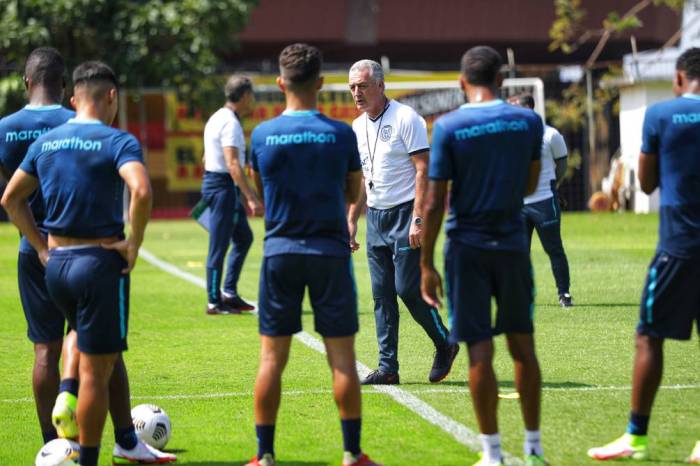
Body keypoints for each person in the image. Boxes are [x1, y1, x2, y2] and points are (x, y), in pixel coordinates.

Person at [1, 61, 174, 466]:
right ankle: (92, 455)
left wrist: (40, 247)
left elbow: (10, 199)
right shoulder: (117, 140)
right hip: (97, 264)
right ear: (111, 96)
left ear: (74, 98)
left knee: (67, 336)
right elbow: (142, 190)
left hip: (55, 264)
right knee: (99, 366)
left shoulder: (46, 143)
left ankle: (64, 394)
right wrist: (134, 243)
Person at [246, 43, 380, 466]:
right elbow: (354, 191)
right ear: (320, 83)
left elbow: (262, 188)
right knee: (342, 360)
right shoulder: (341, 133)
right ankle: (352, 453)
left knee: (271, 359)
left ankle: (265, 455)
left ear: (280, 83)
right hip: (329, 254)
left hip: (280, 253)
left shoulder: (262, 135)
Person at [420, 46, 547, 466]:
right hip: (511, 244)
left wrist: (425, 263)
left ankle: (492, 453)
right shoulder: (528, 121)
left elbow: (435, 201)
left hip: (465, 249)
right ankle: (533, 449)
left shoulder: (448, 126)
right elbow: (530, 185)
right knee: (522, 345)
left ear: (462, 82)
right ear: (501, 81)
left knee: (478, 351)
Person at [587, 47, 700, 465]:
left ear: (678, 78)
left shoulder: (660, 114)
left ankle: (635, 437)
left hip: (679, 246)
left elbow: (647, 183)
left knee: (649, 336)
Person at [346, 59, 457, 385]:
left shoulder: (407, 118)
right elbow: (363, 178)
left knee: (408, 289)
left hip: (406, 213)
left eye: (363, 86)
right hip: (375, 218)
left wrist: (418, 219)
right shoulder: (356, 126)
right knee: (381, 296)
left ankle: (445, 342)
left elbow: (423, 169)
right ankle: (388, 367)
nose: (357, 93)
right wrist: (352, 219)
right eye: (353, 87)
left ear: (380, 85)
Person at [202, 75, 263, 315]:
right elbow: (233, 164)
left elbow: (206, 157)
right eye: (252, 96)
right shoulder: (230, 123)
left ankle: (228, 292)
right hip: (222, 186)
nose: (253, 100)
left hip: (218, 184)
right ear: (245, 96)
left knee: (243, 238)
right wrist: (251, 198)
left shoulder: (217, 117)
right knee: (218, 245)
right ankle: (213, 301)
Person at [509, 94, 573, 307]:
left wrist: (553, 186)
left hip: (544, 201)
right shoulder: (507, 136)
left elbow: (561, 164)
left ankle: (564, 293)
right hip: (518, 205)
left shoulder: (550, 134)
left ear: (529, 108)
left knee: (554, 249)